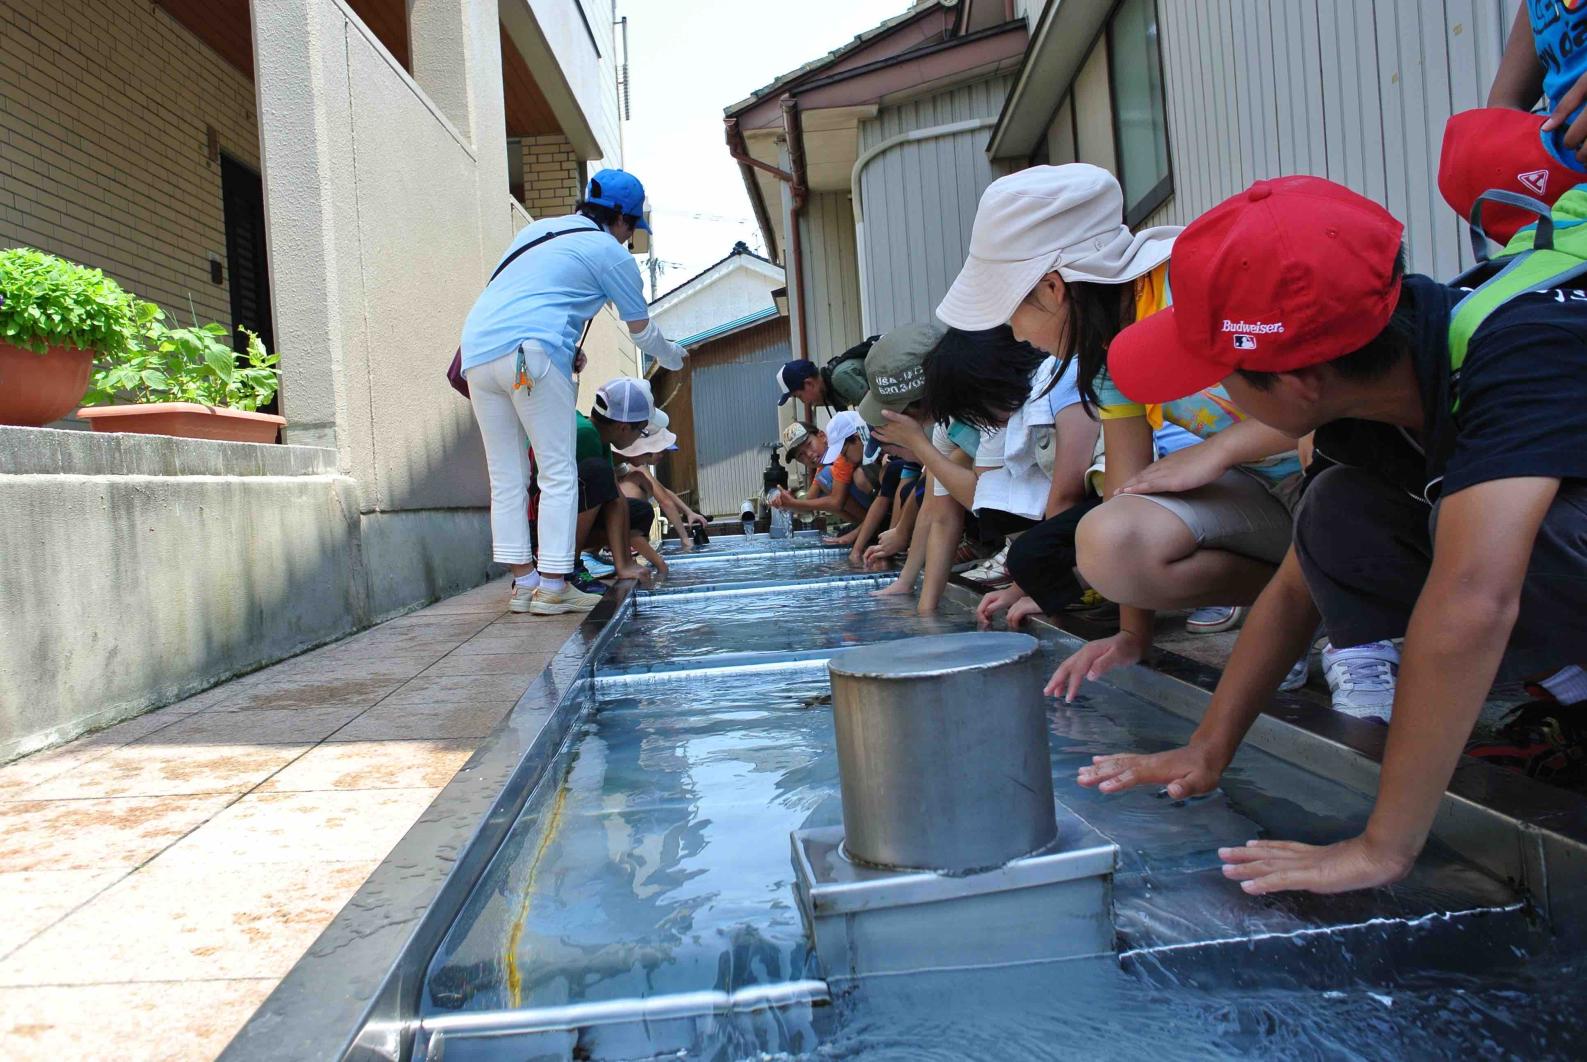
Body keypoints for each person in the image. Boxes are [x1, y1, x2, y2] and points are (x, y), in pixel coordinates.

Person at [1081, 175, 1587, 896]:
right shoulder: (1387, 361)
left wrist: (1380, 847)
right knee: (1335, 508)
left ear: (1295, 383)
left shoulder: (1521, 349)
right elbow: (1296, 583)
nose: (1220, 395)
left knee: (1482, 536)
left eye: (1221, 373)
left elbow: (1472, 603)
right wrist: (1207, 747)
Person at [926, 166, 1308, 704]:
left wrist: (1218, 452)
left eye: (1011, 314)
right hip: (1263, 499)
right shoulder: (1106, 354)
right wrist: (1133, 634)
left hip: (1330, 471)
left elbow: (1326, 403)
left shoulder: (1197, 287)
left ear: (1053, 289)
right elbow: (1124, 485)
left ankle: (1336, 612)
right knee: (1107, 542)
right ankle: (1298, 602)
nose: (1015, 335)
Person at [460, 169, 688, 615]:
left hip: (478, 352)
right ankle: (553, 584)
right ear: (621, 219)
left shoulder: (537, 230)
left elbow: (524, 297)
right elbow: (641, 332)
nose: (629, 240)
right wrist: (676, 356)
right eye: (631, 230)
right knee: (557, 471)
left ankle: (524, 584)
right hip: (531, 353)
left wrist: (560, 354)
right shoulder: (607, 251)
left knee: (506, 475)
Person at [771, 411, 876, 521]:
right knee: (822, 489)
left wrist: (795, 503)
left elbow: (836, 502)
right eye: (801, 455)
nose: (809, 454)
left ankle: (872, 525)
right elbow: (808, 503)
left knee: (827, 479)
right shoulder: (823, 464)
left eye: (809, 445)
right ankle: (862, 525)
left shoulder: (841, 453)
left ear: (822, 436)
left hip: (882, 499)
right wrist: (787, 503)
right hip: (874, 502)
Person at [773, 336, 876, 413]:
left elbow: (877, 412)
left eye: (800, 396)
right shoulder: (831, 391)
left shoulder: (840, 378)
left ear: (809, 384)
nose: (805, 402)